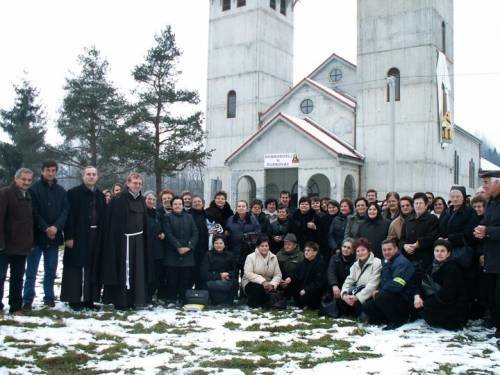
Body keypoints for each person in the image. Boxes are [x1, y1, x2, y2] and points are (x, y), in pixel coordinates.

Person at [101, 172, 153, 309]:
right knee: (124, 271)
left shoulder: (142, 200)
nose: (137, 186)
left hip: (139, 242)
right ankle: (121, 301)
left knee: (138, 271)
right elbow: (113, 223)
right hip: (123, 242)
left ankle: (135, 299)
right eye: (135, 183)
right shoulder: (119, 199)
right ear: (128, 183)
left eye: (139, 183)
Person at [23, 160, 69, 309]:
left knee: (50, 270)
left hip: (54, 237)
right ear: (42, 171)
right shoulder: (34, 189)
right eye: (48, 170)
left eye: (53, 170)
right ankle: (28, 299)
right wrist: (45, 228)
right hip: (37, 236)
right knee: (31, 271)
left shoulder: (61, 191)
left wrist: (56, 227)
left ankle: (49, 297)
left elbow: (65, 211)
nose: (51, 173)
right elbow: (33, 211)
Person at [61, 166, 106, 310]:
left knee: (92, 267)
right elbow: (68, 217)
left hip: (95, 236)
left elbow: (103, 218)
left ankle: (89, 299)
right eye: (88, 174)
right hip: (78, 236)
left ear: (97, 177)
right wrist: (69, 236)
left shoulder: (99, 195)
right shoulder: (73, 193)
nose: (91, 177)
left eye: (94, 174)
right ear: (83, 176)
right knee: (77, 267)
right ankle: (75, 300)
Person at [0, 168, 34, 314]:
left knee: (17, 278)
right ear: (16, 179)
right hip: (5, 245)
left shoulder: (28, 196)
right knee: (0, 277)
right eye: (23, 179)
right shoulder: (5, 193)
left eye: (29, 180)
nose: (26, 182)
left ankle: (15, 306)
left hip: (21, 246)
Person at [414, 239, 468, 330]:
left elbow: (448, 293)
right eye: (437, 251)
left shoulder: (452, 268)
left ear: (448, 253)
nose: (439, 253)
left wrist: (426, 303)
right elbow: (422, 282)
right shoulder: (431, 265)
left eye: (443, 251)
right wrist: (417, 296)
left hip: (451, 305)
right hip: (436, 300)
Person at [363, 239, 415, 330]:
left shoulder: (401, 262)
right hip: (391, 296)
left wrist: (379, 291)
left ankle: (398, 320)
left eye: (389, 249)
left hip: (404, 299)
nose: (386, 252)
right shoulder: (386, 261)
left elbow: (398, 284)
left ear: (396, 249)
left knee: (380, 295)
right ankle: (385, 319)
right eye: (384, 250)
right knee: (367, 306)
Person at [474, 170, 500, 343]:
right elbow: (486, 223)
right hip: (491, 257)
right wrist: (480, 229)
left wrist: (488, 231)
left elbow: (491, 228)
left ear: (498, 183)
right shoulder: (491, 203)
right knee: (492, 296)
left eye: (487, 183)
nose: (484, 187)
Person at [163, 196, 199, 305]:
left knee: (185, 279)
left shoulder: (189, 217)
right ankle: (172, 299)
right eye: (175, 204)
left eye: (179, 204)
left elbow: (195, 232)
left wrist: (189, 246)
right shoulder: (167, 217)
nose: (177, 206)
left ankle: (183, 298)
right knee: (172, 279)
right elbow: (168, 234)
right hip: (173, 253)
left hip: (187, 253)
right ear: (172, 206)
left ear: (183, 205)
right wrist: (178, 247)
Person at [340, 238, 382, 317]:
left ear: (369, 251)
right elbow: (348, 281)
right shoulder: (355, 265)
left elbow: (373, 284)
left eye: (363, 250)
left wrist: (357, 297)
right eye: (358, 251)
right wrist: (344, 294)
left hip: (369, 296)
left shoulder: (377, 263)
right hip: (356, 294)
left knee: (364, 318)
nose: (360, 253)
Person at [400, 192, 439, 270]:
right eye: (416, 203)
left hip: (425, 259)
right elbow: (402, 238)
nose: (418, 205)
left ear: (426, 205)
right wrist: (405, 246)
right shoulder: (408, 220)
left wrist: (417, 244)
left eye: (420, 203)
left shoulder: (432, 219)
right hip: (408, 258)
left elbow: (433, 237)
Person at [241, 237, 282, 308]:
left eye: (266, 246)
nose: (264, 248)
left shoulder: (273, 257)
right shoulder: (250, 257)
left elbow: (278, 274)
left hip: (268, 284)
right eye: (262, 246)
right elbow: (248, 273)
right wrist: (263, 282)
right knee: (258, 289)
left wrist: (272, 284)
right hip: (250, 282)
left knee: (278, 288)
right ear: (257, 247)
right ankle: (254, 303)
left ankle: (268, 302)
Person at [226, 200, 261, 276]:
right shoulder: (230, 219)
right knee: (233, 276)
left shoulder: (253, 220)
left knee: (246, 276)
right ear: (236, 208)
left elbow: (258, 234)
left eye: (243, 206)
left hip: (248, 253)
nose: (241, 208)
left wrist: (245, 236)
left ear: (247, 209)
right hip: (233, 252)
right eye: (239, 206)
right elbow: (226, 234)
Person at [201, 235, 237, 305]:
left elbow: (235, 270)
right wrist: (219, 276)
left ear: (224, 244)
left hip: (227, 279)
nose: (218, 245)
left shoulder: (230, 255)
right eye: (216, 243)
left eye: (221, 243)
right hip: (213, 279)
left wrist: (228, 275)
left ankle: (229, 302)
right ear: (213, 244)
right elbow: (204, 273)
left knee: (235, 283)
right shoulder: (208, 255)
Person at [288, 241, 325, 309]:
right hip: (303, 289)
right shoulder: (304, 262)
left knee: (307, 295)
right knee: (290, 281)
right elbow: (296, 273)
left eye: (308, 250)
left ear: (315, 252)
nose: (306, 252)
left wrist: (306, 289)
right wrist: (290, 278)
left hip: (313, 291)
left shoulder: (320, 264)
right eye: (305, 250)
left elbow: (318, 283)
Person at [144, 191, 165, 303]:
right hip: (144, 248)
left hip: (157, 249)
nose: (151, 201)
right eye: (149, 199)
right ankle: (144, 296)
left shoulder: (157, 214)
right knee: (146, 273)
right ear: (144, 200)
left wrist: (162, 233)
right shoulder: (141, 213)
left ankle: (151, 295)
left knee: (156, 274)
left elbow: (161, 228)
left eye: (153, 200)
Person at [327, 238, 356, 308]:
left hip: (348, 288)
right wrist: (334, 285)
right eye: (344, 247)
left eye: (349, 248)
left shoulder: (355, 261)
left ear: (352, 251)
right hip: (336, 287)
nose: (345, 249)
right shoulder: (334, 258)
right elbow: (331, 272)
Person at [188, 196, 209, 289]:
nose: (197, 203)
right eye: (195, 202)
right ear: (192, 204)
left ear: (203, 203)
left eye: (199, 201)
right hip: (192, 248)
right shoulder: (188, 215)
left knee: (202, 271)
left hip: (205, 248)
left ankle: (200, 292)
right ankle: (188, 293)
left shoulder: (208, 215)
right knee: (191, 272)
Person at [318, 200, 339, 264]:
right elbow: (320, 233)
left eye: (333, 207)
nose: (331, 209)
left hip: (337, 247)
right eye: (330, 208)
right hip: (325, 247)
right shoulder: (324, 218)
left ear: (338, 208)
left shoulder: (340, 218)